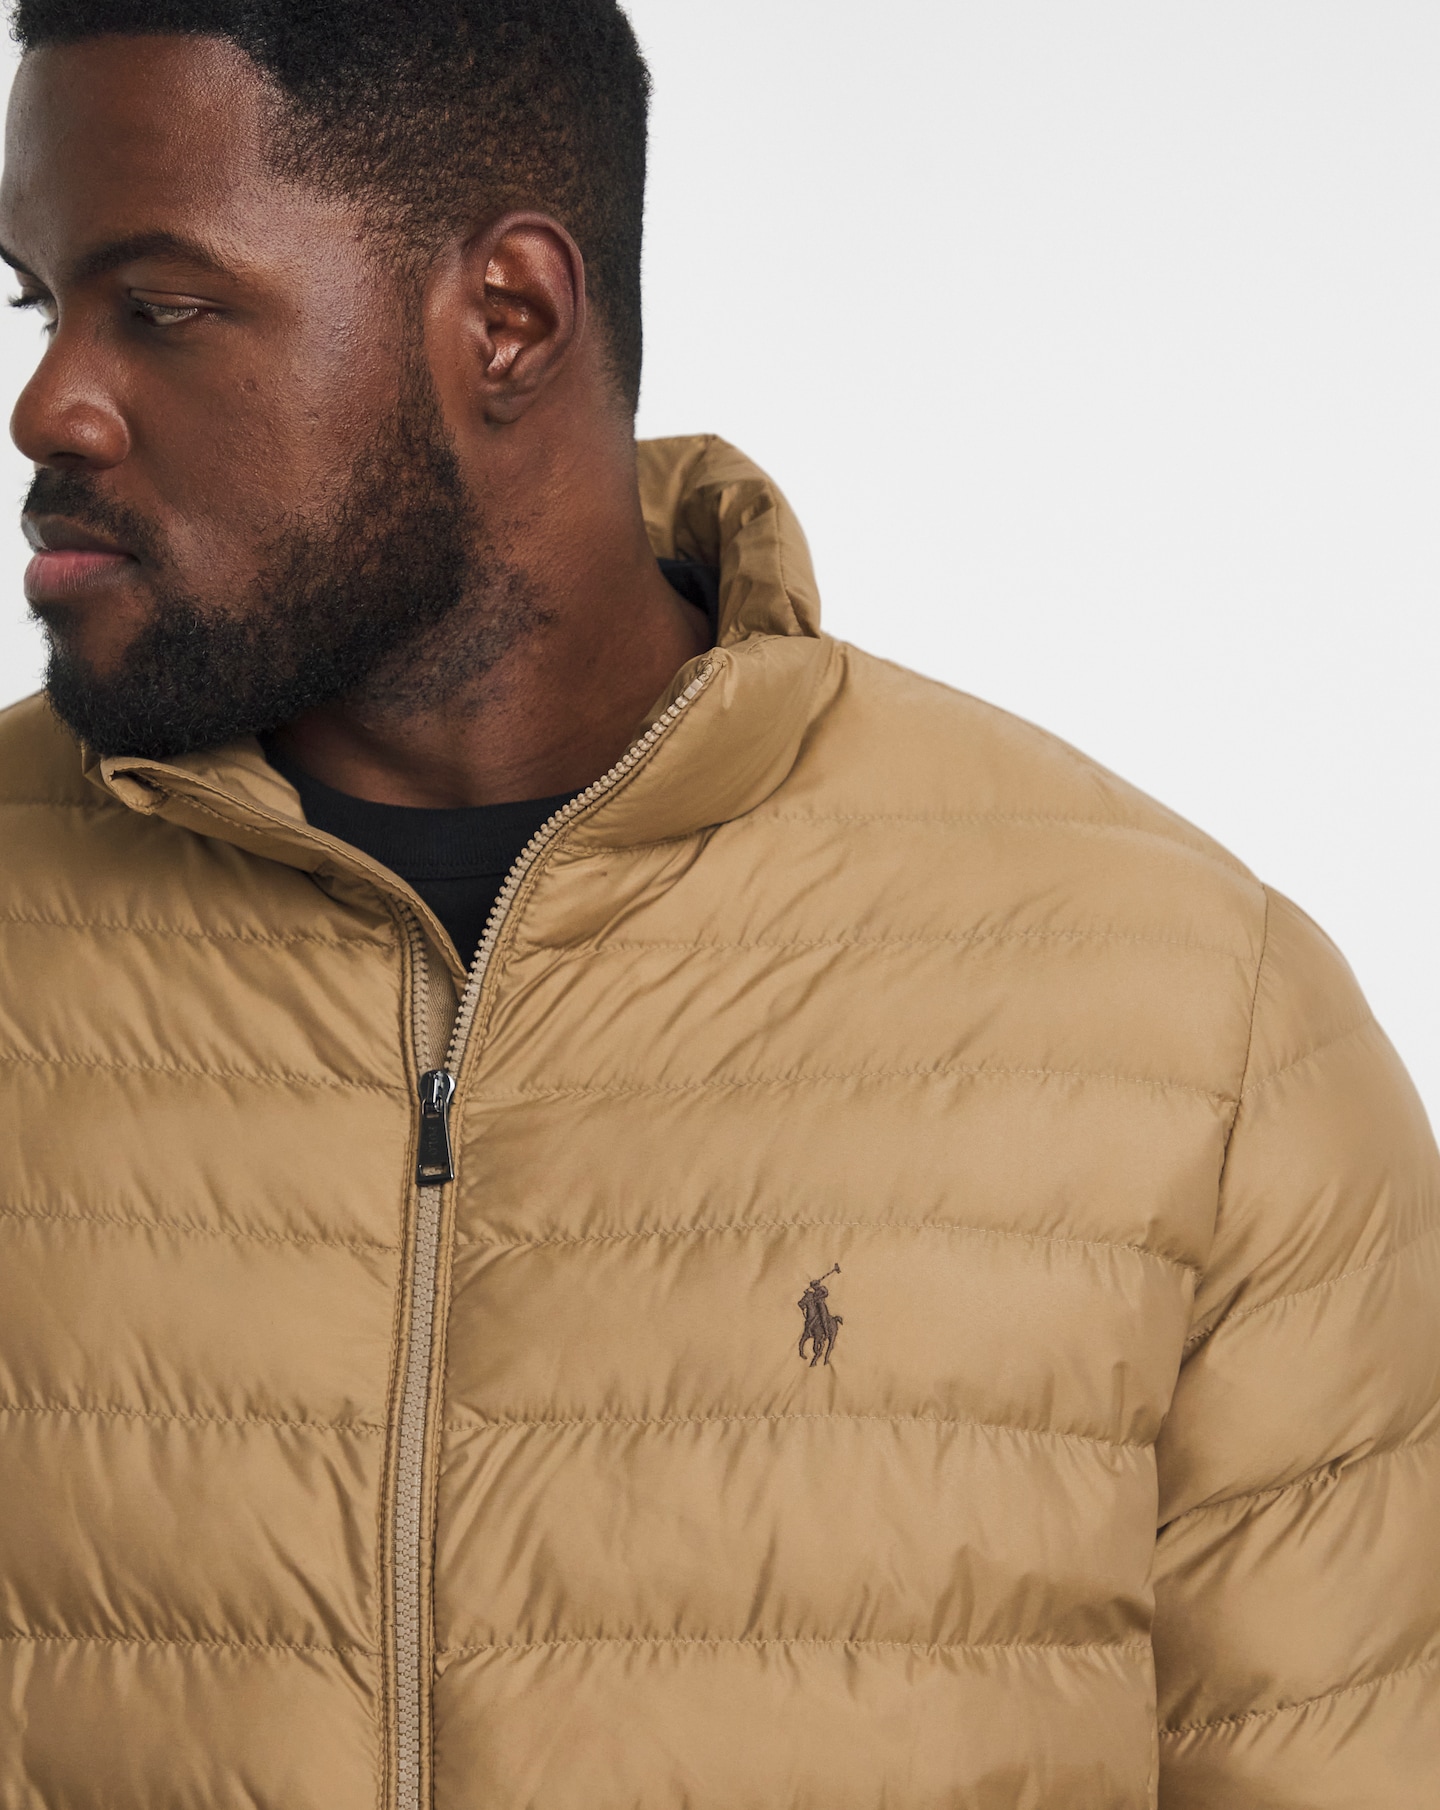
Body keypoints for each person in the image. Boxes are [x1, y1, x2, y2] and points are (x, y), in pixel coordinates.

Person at [0, 3, 1434, 1805]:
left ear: (508, 318)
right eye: (39, 304)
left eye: (160, 306)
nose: (48, 404)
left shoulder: (1203, 1032)